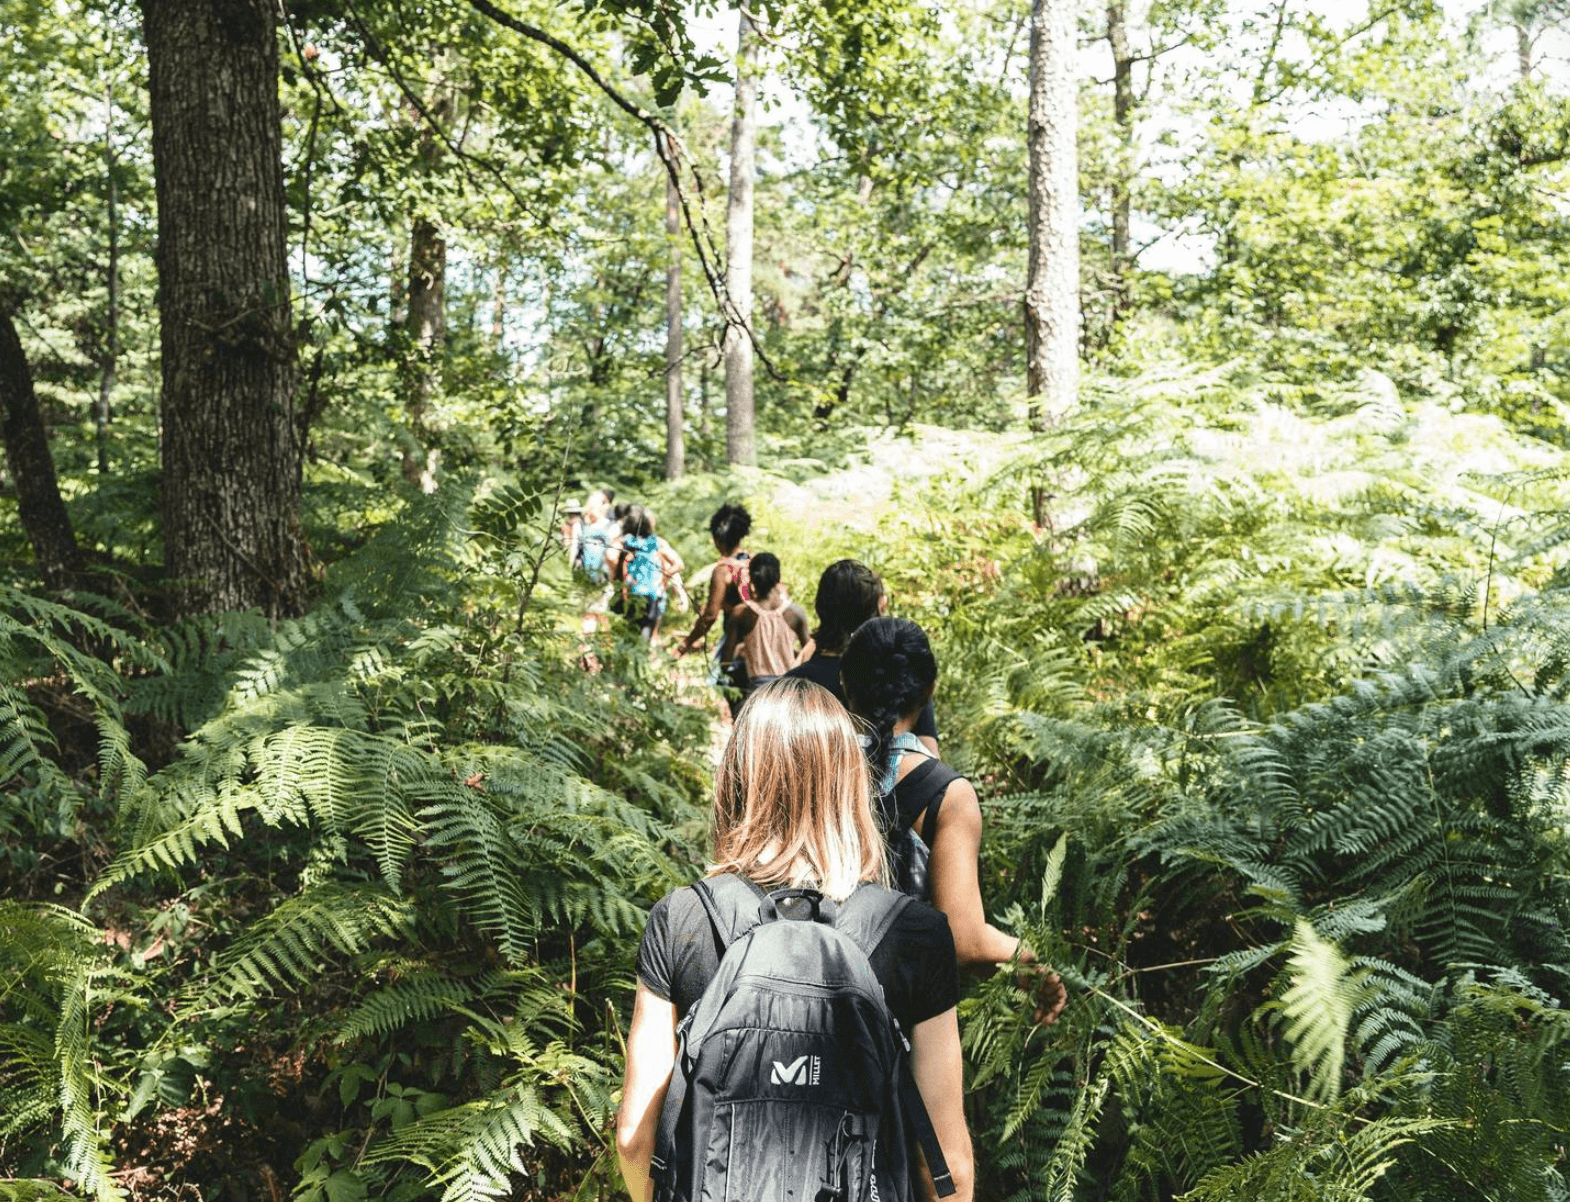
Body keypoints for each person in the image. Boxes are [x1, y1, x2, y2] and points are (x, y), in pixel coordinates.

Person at [617, 678, 974, 1202]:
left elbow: (633, 1140)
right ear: (849, 783)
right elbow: (947, 1164)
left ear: (736, 782)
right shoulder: (913, 933)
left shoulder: (684, 920)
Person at [841, 618, 1066, 1023]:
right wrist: (1026, 961)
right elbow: (964, 941)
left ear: (844, 682)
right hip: (897, 1015)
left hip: (799, 992)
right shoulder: (945, 794)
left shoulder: (805, 765)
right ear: (930, 690)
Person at [784, 560, 939, 756]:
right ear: (874, 612)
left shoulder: (794, 684)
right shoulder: (898, 673)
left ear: (820, 608)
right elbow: (931, 754)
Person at [671, 503, 754, 717]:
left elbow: (710, 616)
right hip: (765, 639)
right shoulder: (756, 562)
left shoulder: (723, 569)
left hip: (737, 645)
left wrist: (685, 644)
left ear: (717, 539)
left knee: (740, 705)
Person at [727, 552, 809, 695]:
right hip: (788, 689)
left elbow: (726, 660)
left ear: (751, 579)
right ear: (778, 578)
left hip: (758, 690)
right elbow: (808, 655)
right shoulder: (795, 613)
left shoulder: (741, 613)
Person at [611, 505, 685, 643]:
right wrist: (664, 578)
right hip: (652, 592)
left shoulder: (625, 541)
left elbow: (611, 557)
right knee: (649, 628)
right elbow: (678, 563)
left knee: (628, 628)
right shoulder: (655, 542)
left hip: (632, 592)